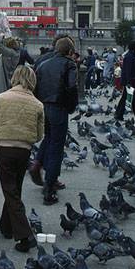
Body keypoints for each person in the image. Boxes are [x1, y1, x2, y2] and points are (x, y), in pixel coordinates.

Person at [0, 66, 44, 252]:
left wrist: (1, 135)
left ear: (14, 77)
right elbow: (39, 134)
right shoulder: (37, 104)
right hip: (24, 150)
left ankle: (25, 236)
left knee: (10, 191)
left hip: (4, 148)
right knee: (14, 189)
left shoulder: (2, 98)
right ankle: (6, 226)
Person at [34, 37, 78, 205]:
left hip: (43, 107)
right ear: (69, 51)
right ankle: (49, 187)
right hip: (59, 108)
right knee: (56, 148)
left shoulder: (44, 65)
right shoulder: (69, 64)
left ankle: (38, 165)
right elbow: (72, 87)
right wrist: (71, 107)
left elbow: (36, 86)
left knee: (49, 138)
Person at [115, 40, 135, 123]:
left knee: (127, 99)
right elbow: (128, 71)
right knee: (133, 100)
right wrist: (129, 82)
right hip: (131, 82)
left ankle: (118, 115)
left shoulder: (131, 55)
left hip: (131, 81)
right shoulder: (130, 57)